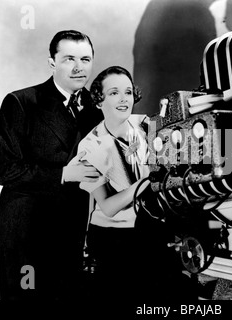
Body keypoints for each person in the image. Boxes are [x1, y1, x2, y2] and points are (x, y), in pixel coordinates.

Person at [0, 30, 103, 300]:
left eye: (85, 59)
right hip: (26, 235)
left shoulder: (97, 110)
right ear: (52, 62)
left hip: (72, 234)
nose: (79, 68)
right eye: (69, 59)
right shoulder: (21, 102)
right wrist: (64, 174)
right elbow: (4, 169)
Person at [78, 66, 187, 301]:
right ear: (99, 101)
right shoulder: (90, 146)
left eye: (128, 92)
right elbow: (107, 206)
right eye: (114, 92)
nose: (123, 99)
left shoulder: (146, 125)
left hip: (151, 229)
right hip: (113, 240)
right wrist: (147, 181)